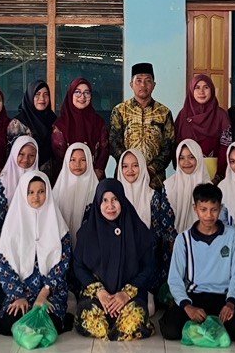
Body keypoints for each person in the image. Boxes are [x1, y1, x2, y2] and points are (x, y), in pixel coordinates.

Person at [163, 183, 235, 342]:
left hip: (222, 297)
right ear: (195, 208)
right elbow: (174, 279)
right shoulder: (183, 239)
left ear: (220, 208)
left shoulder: (231, 235)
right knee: (170, 331)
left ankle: (206, 326)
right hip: (194, 296)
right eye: (203, 209)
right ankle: (207, 325)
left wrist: (230, 303)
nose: (209, 215)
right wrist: (187, 306)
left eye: (214, 210)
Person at [72, 179, 157, 340]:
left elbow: (148, 267)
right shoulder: (87, 232)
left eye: (115, 199)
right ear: (98, 203)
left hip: (130, 296)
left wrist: (126, 294)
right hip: (97, 297)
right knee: (89, 315)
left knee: (135, 317)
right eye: (104, 200)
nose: (110, 206)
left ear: (122, 200)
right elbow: (78, 266)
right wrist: (99, 291)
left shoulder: (138, 230)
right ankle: (114, 328)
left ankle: (117, 326)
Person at [0, 174, 71, 336]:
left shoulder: (59, 226)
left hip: (50, 291)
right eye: (30, 192)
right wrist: (18, 296)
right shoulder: (11, 227)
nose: (36, 196)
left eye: (41, 191)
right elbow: (5, 266)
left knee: (50, 321)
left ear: (48, 193)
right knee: (8, 322)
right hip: (20, 290)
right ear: (23, 194)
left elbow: (62, 265)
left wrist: (43, 294)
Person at [108, 63, 176, 189]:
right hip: (126, 175)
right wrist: (130, 166)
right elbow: (113, 142)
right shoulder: (120, 110)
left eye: (148, 81)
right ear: (131, 84)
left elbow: (169, 146)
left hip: (155, 178)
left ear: (154, 85)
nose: (143, 85)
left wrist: (151, 169)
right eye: (138, 81)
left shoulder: (164, 112)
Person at [115, 149, 176, 287]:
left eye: (135, 165)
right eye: (125, 166)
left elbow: (164, 230)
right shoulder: (114, 198)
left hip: (148, 258)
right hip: (119, 258)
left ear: (142, 167)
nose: (130, 170)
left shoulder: (154, 196)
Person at [51, 77, 110, 181]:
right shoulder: (61, 124)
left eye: (86, 93)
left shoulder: (98, 122)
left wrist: (96, 173)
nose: (82, 97)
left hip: (94, 179)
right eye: (77, 92)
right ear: (70, 95)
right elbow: (59, 157)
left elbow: (104, 149)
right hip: (67, 179)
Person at [174, 74, 232, 171]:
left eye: (206, 87)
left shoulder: (221, 115)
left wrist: (220, 173)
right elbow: (176, 144)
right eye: (197, 87)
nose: (201, 92)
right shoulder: (183, 115)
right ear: (191, 90)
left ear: (212, 90)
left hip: (214, 172)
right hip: (187, 171)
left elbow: (226, 145)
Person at [53, 142, 98, 252]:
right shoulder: (57, 190)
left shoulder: (97, 190)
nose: (77, 164)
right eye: (72, 160)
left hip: (87, 250)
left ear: (89, 161)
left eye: (83, 160)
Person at [0, 136, 40, 233]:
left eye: (31, 155)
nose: (25, 159)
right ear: (14, 153)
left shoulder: (40, 182)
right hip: (8, 233)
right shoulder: (3, 183)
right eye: (21, 154)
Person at [7, 80, 57, 173]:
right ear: (30, 97)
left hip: (51, 175)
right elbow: (13, 156)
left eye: (46, 94)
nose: (42, 98)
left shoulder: (53, 120)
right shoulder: (18, 123)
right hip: (25, 174)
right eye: (37, 94)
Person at [165, 140, 211, 233]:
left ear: (198, 158)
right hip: (174, 238)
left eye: (191, 157)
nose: (186, 162)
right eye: (181, 158)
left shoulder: (209, 188)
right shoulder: (169, 186)